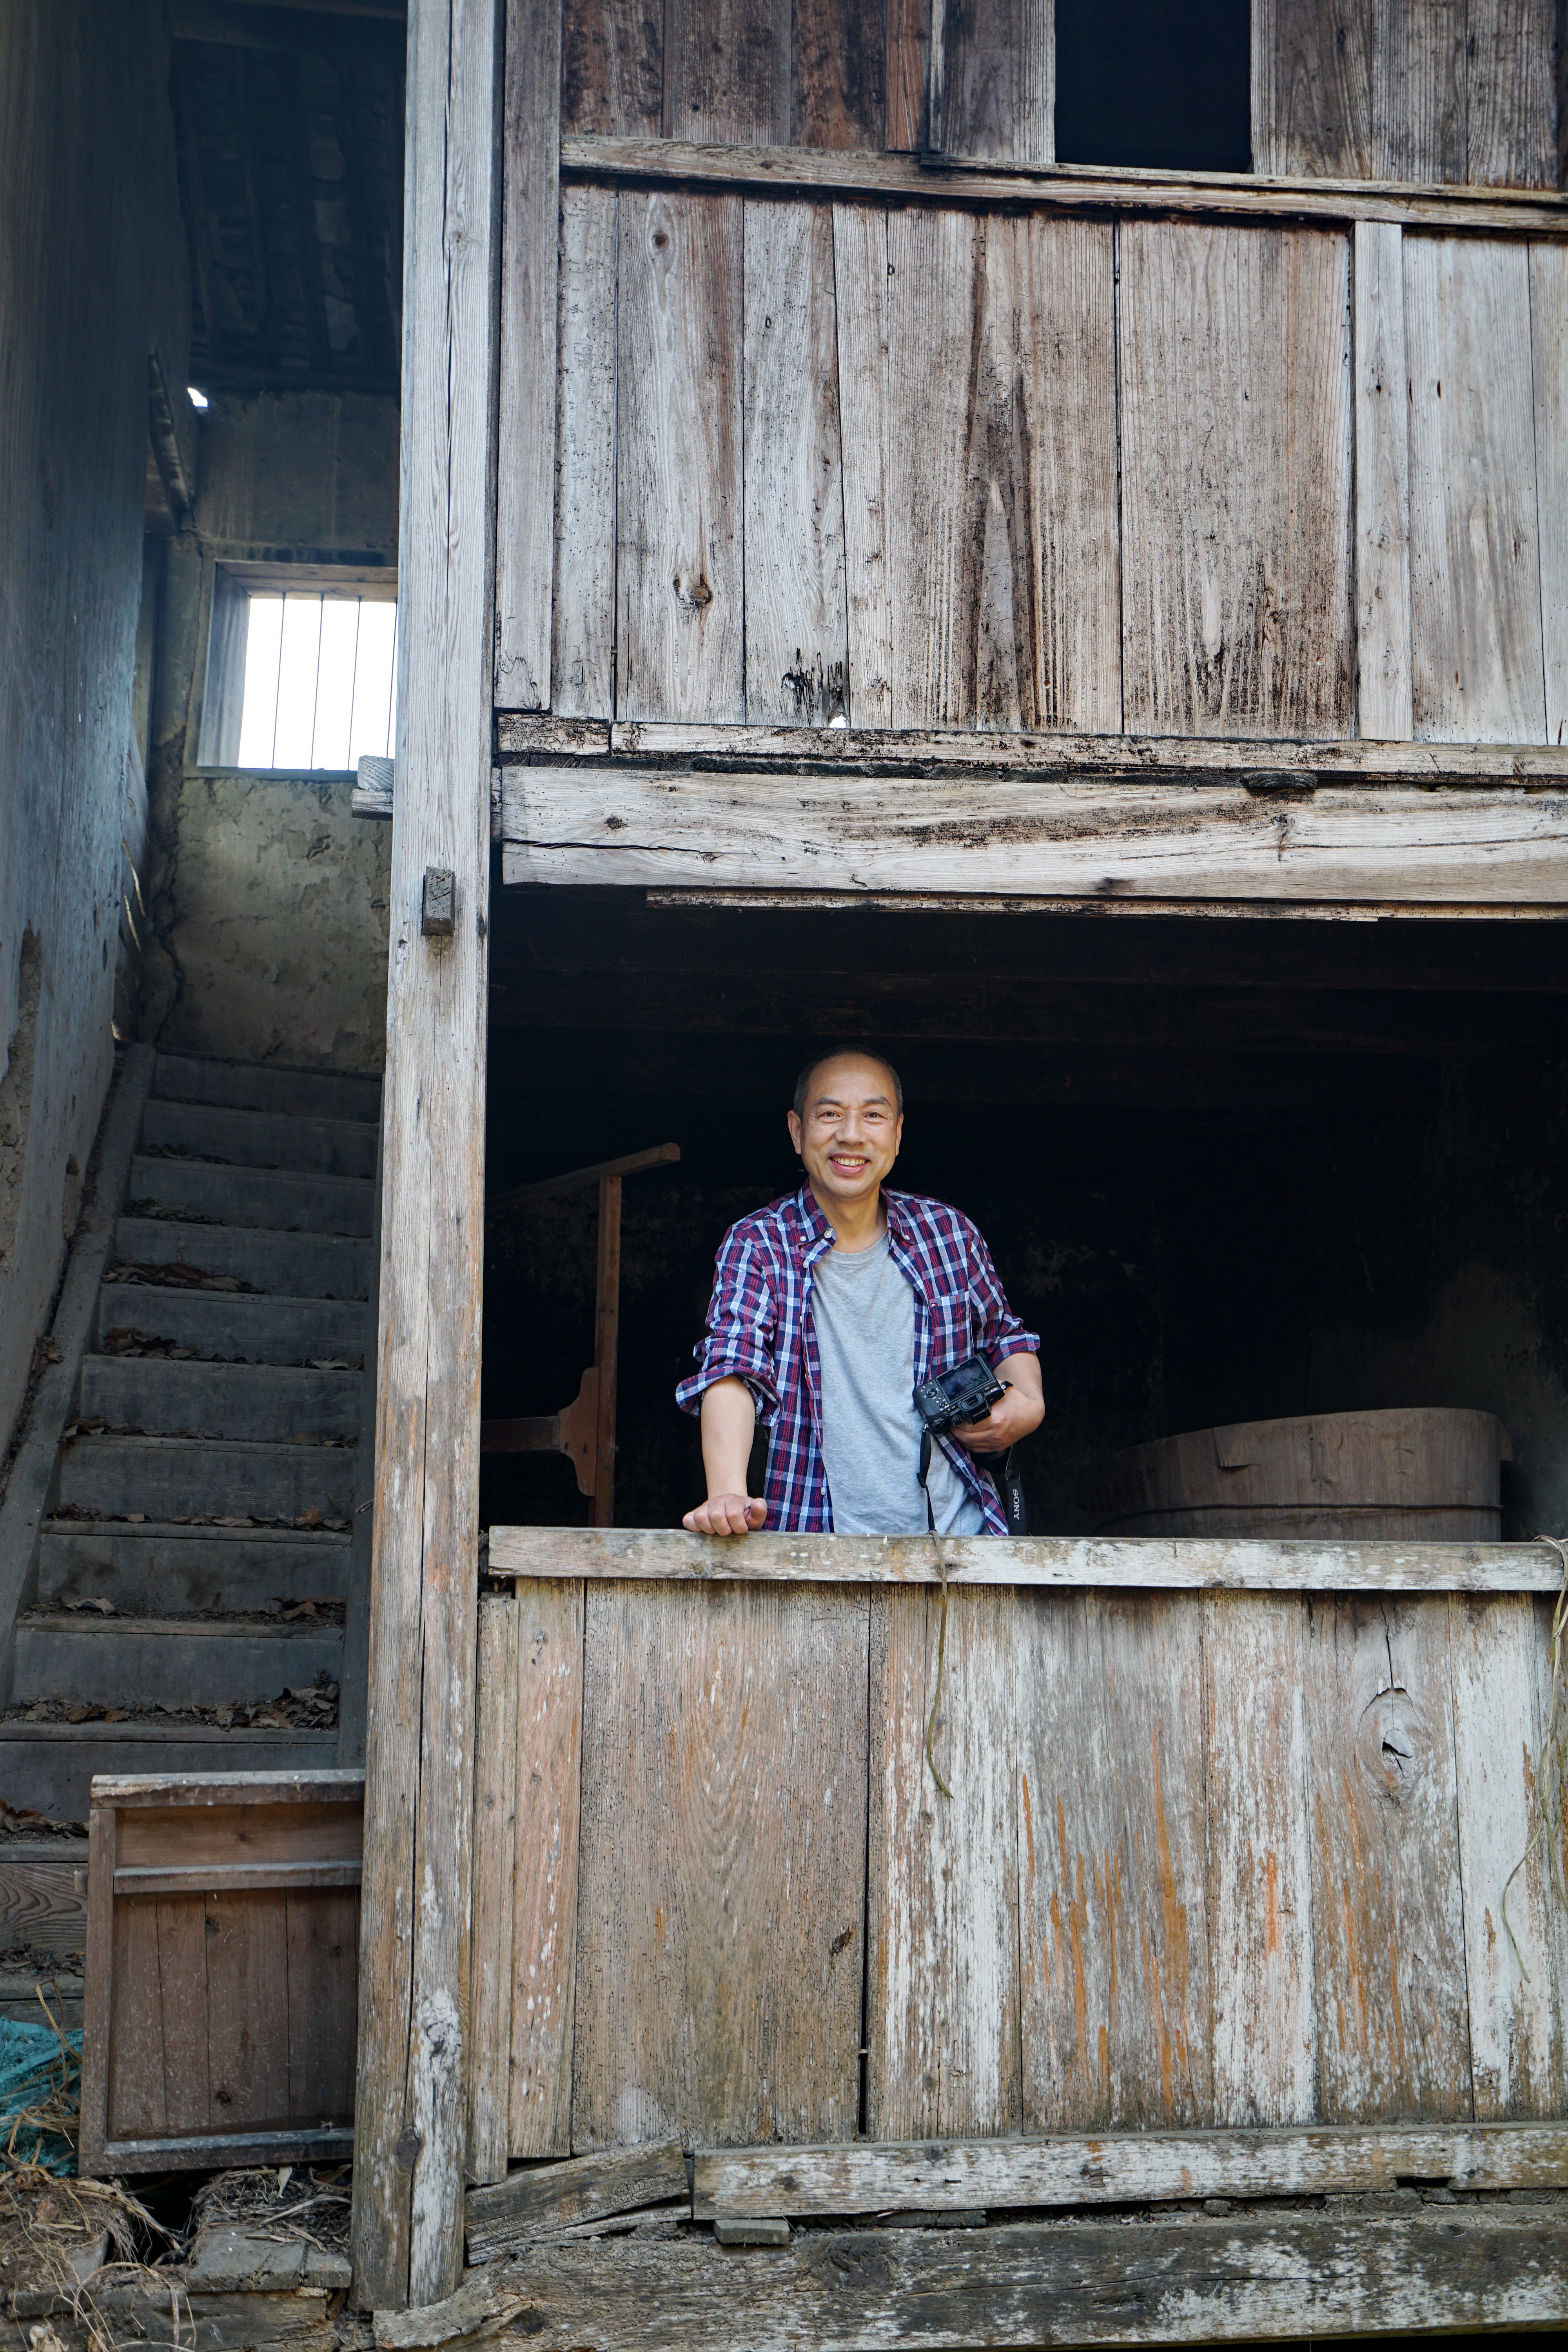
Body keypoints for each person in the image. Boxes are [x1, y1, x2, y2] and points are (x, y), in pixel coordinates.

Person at [677, 1047, 1044, 1536]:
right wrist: (726, 1492)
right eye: (829, 1114)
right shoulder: (759, 1243)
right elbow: (733, 1368)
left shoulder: (949, 1233)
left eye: (873, 1115)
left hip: (961, 1543)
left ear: (896, 1133)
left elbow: (1004, 1337)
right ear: (796, 1130)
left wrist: (1029, 1402)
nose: (850, 1135)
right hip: (817, 1547)